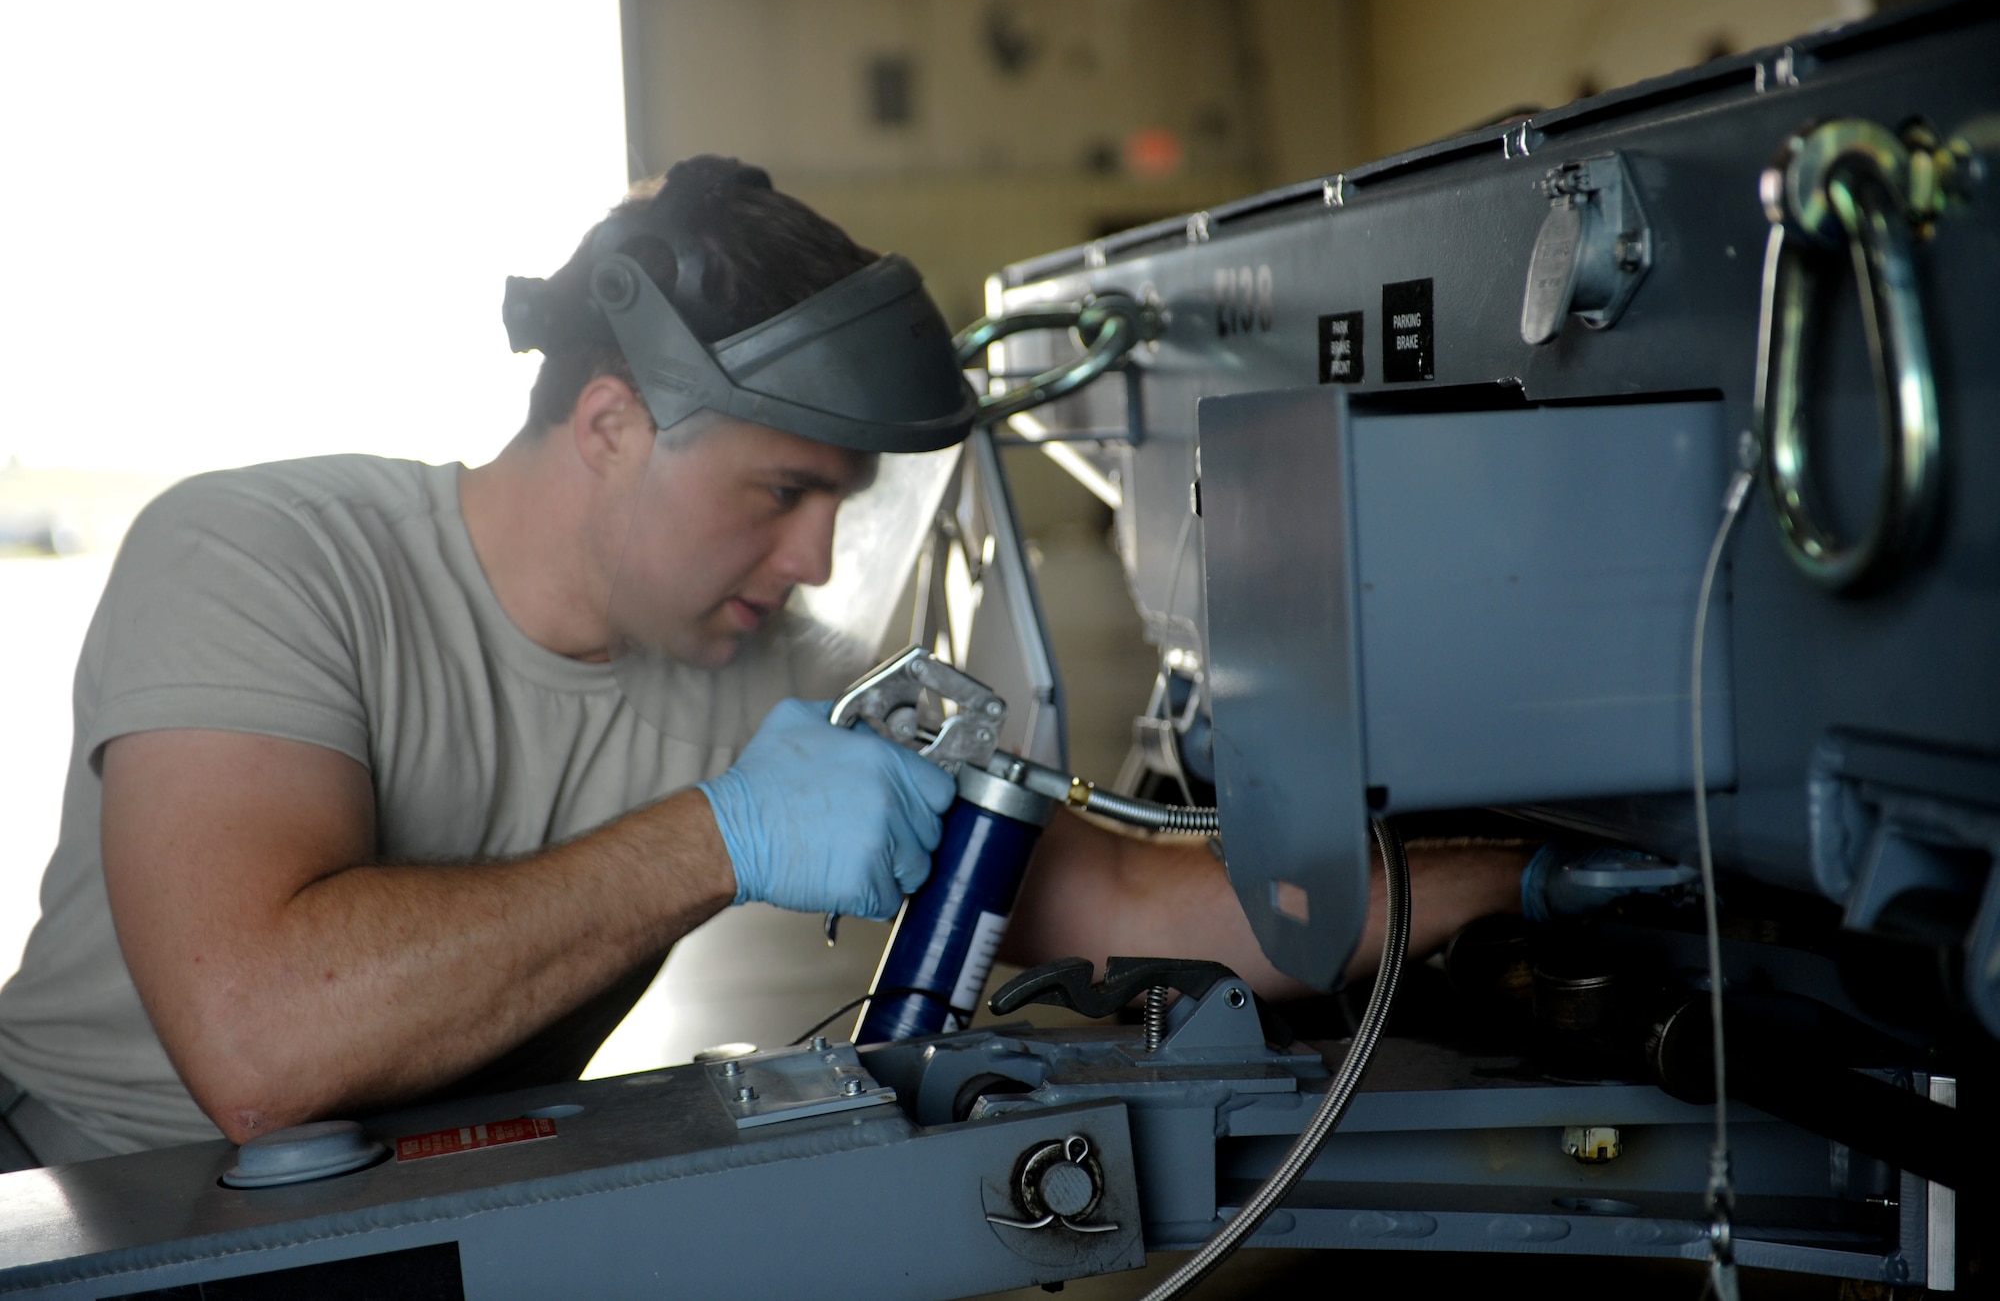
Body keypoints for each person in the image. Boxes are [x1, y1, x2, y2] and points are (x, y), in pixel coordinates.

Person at [0, 158, 1528, 1167]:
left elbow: (1133, 900)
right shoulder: (265, 555)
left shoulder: (760, 676)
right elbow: (262, 1051)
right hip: (81, 1202)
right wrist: (715, 839)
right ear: (608, 426)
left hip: (435, 1196)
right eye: (779, 492)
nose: (809, 562)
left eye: (838, 509)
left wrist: (1527, 877)